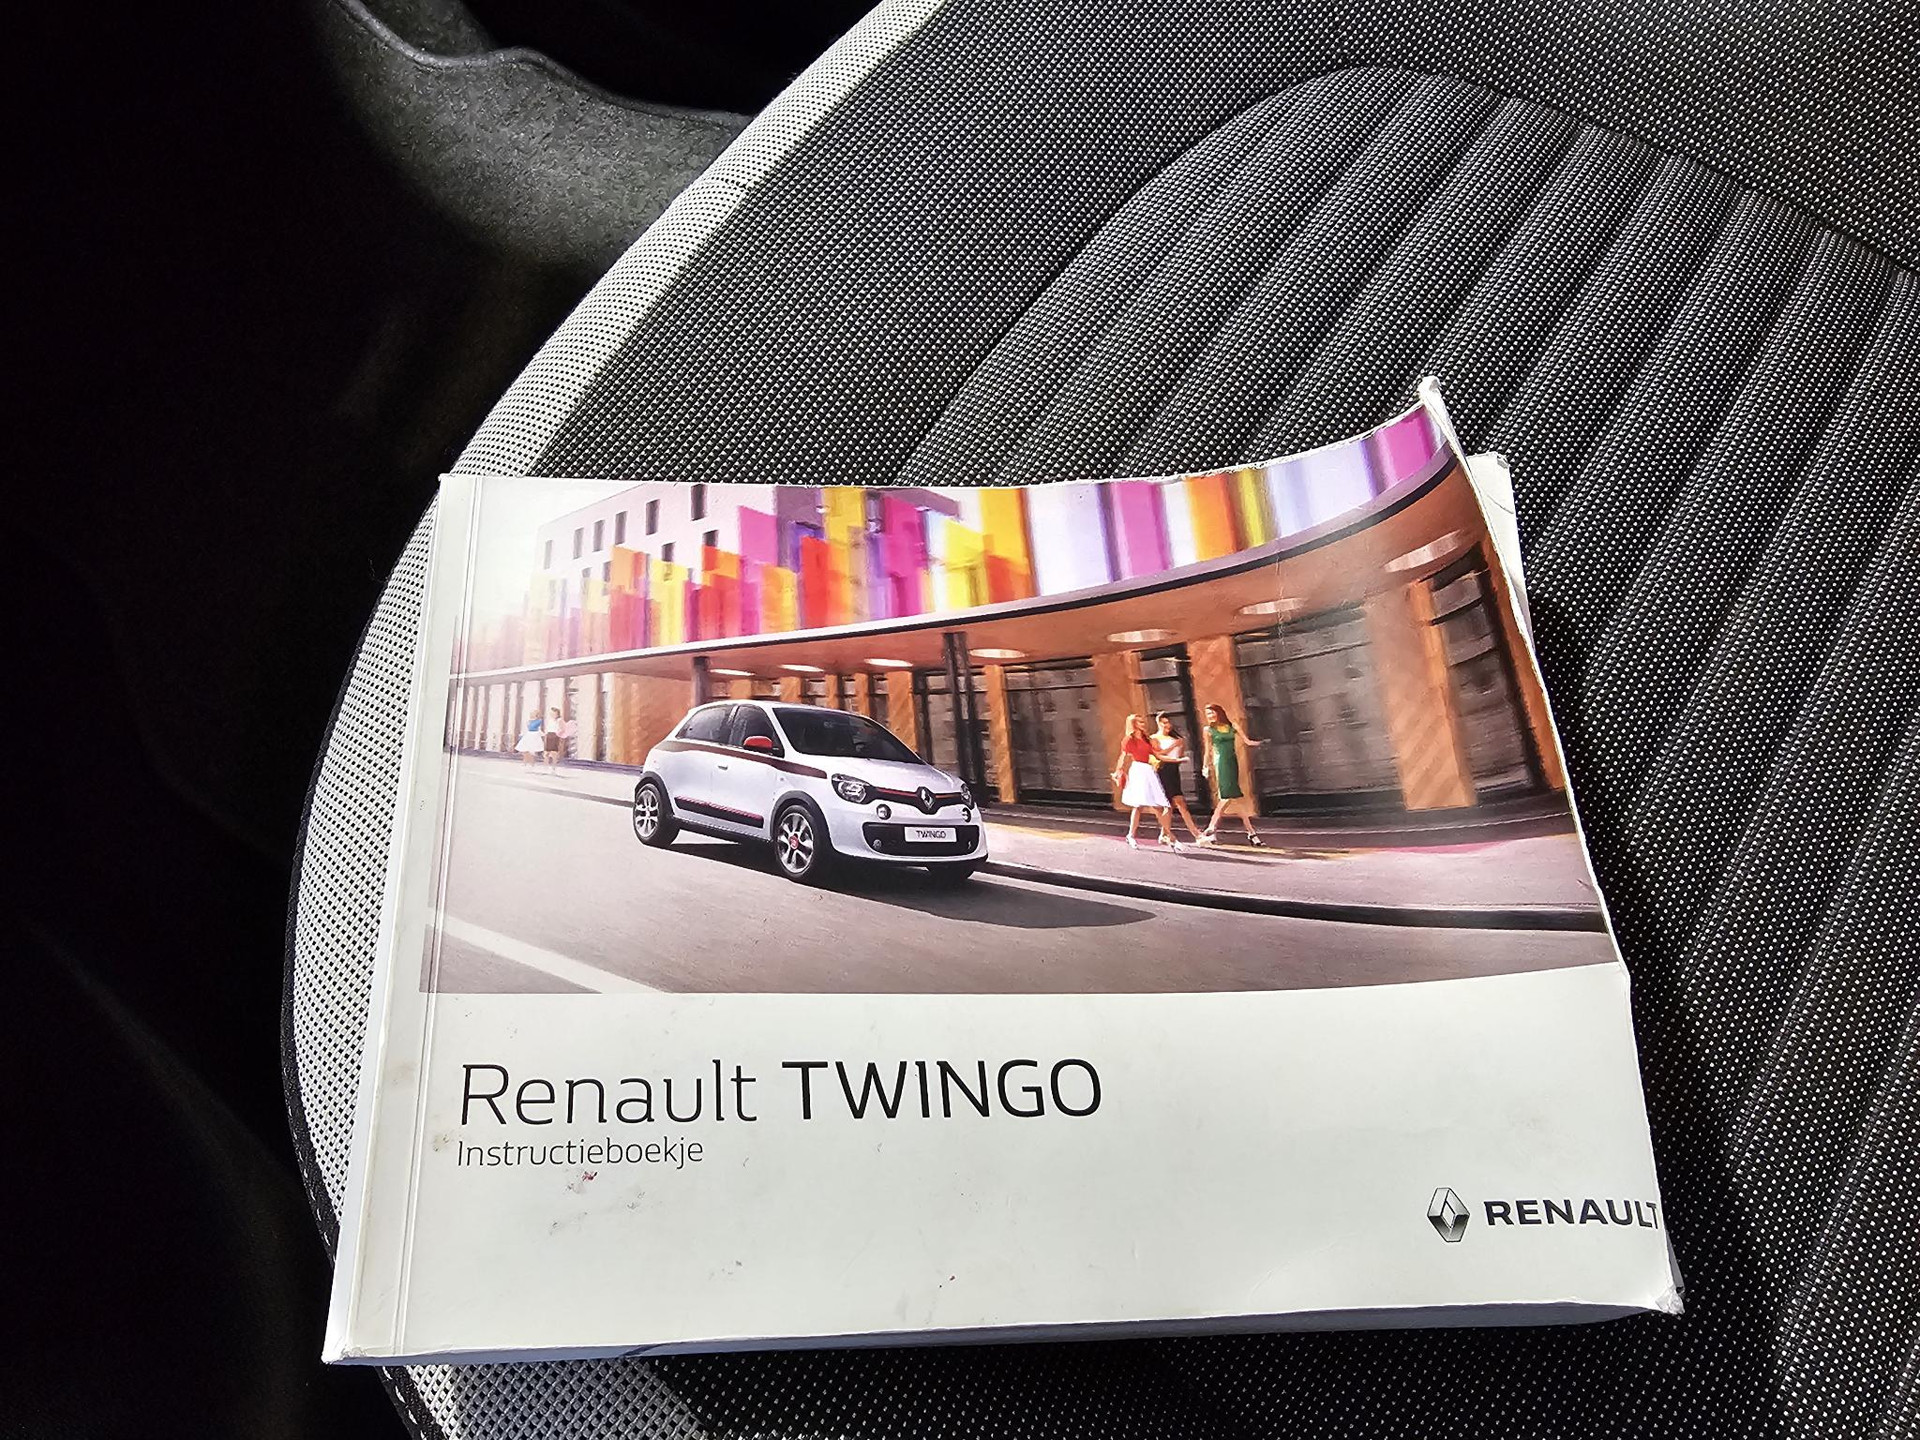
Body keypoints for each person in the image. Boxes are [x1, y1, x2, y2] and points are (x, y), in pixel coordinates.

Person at [1111, 713, 1180, 851]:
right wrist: (1118, 771)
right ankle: (1133, 835)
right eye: (1140, 722)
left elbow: (1158, 755)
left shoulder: (1146, 739)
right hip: (1138, 770)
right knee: (1139, 806)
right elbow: (1123, 756)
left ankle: (1168, 836)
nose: (1143, 724)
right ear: (1133, 724)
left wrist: (1176, 759)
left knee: (1158, 806)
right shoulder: (1129, 740)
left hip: (1148, 771)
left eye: (1143, 722)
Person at [1199, 702, 1265, 845]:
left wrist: (1260, 743)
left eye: (1212, 712)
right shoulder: (1208, 730)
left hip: (1232, 761)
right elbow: (1207, 750)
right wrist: (1205, 766)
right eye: (1207, 714)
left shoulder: (1232, 725)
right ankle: (1213, 828)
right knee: (1227, 796)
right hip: (1220, 763)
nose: (1210, 716)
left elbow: (1247, 741)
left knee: (1234, 797)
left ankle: (1249, 832)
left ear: (1218, 712)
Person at [1151, 713, 1207, 842]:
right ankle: (1196, 833)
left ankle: (1164, 833)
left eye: (1168, 722)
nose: (1167, 725)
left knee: (1172, 804)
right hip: (1163, 770)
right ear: (1158, 723)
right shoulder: (1154, 738)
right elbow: (1159, 754)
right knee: (1176, 803)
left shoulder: (1175, 738)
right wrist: (1174, 746)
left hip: (1174, 770)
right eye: (1164, 722)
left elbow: (1179, 755)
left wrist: (1180, 747)